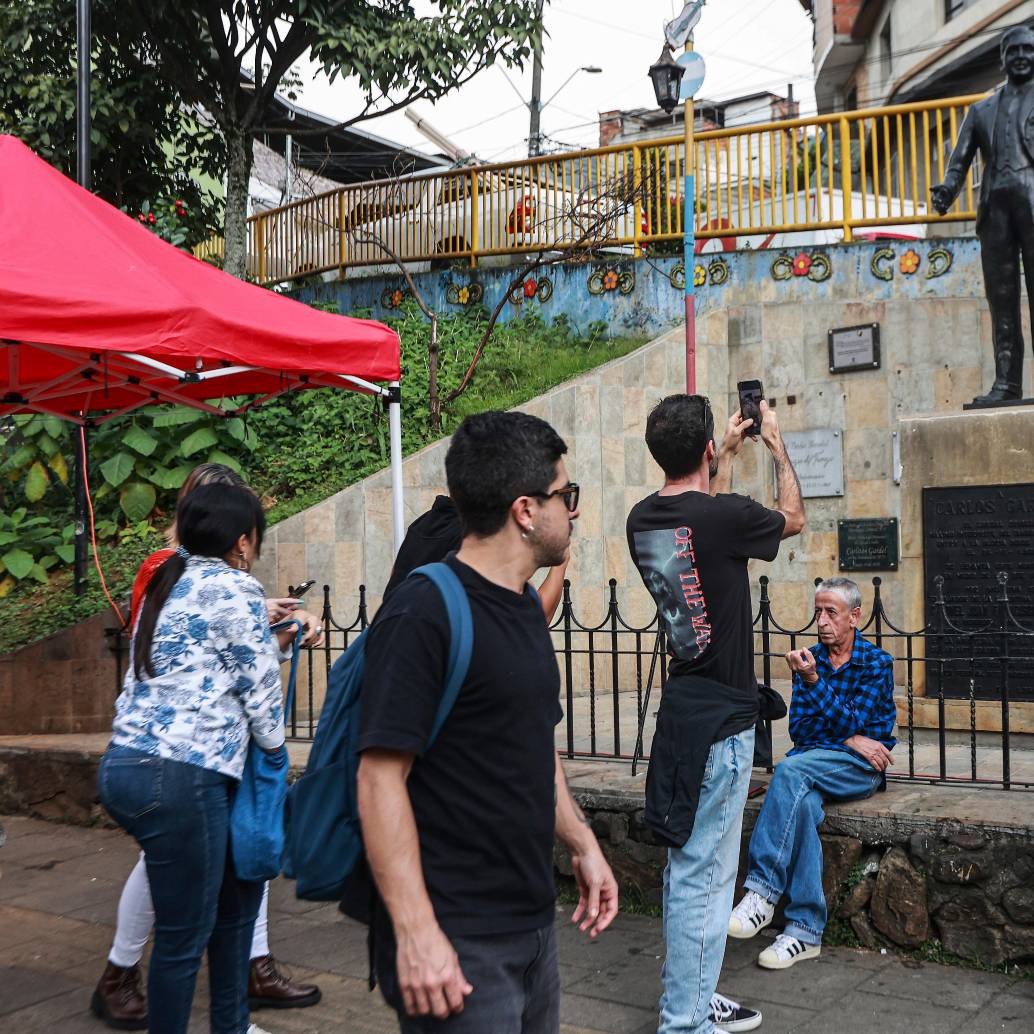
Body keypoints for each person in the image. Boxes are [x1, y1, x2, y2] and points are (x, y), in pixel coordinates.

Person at [357, 410, 619, 1032]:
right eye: (565, 495)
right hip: (455, 939)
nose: (572, 511)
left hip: (530, 926)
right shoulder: (425, 611)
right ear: (525, 511)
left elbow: (531, 744)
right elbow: (378, 779)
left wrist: (581, 842)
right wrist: (417, 932)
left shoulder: (525, 606)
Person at [92, 464, 322, 1030]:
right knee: (186, 935)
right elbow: (262, 696)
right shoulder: (235, 588)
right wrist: (273, 757)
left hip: (126, 764)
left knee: (224, 917)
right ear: (243, 541)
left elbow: (200, 663)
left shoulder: (166, 582)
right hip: (181, 776)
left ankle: (232, 1023)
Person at [626, 394, 805, 1034]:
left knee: (687, 871)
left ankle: (695, 999)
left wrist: (721, 454)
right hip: (723, 728)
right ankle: (685, 1021)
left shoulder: (641, 517)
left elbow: (696, 519)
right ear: (705, 450)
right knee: (705, 879)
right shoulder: (725, 516)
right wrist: (776, 444)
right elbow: (792, 519)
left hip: (681, 715)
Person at [729, 578, 897, 969]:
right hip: (820, 762)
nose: (821, 621)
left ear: (854, 617)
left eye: (830, 612)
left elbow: (859, 723)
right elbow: (802, 730)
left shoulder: (876, 663)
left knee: (789, 769)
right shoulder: (809, 659)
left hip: (858, 770)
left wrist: (817, 687)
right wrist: (852, 737)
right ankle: (804, 932)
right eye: (817, 611)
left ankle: (762, 891)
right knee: (800, 804)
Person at [931, 26, 1034, 404]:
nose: (1022, 55)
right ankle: (1007, 383)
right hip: (995, 212)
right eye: (1014, 50)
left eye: (1028, 49)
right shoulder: (981, 110)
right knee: (1001, 299)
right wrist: (946, 189)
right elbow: (958, 163)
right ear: (1003, 58)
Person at [383, 492, 571, 620]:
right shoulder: (479, 539)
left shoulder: (422, 525)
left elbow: (394, 580)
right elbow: (535, 618)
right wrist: (560, 564)